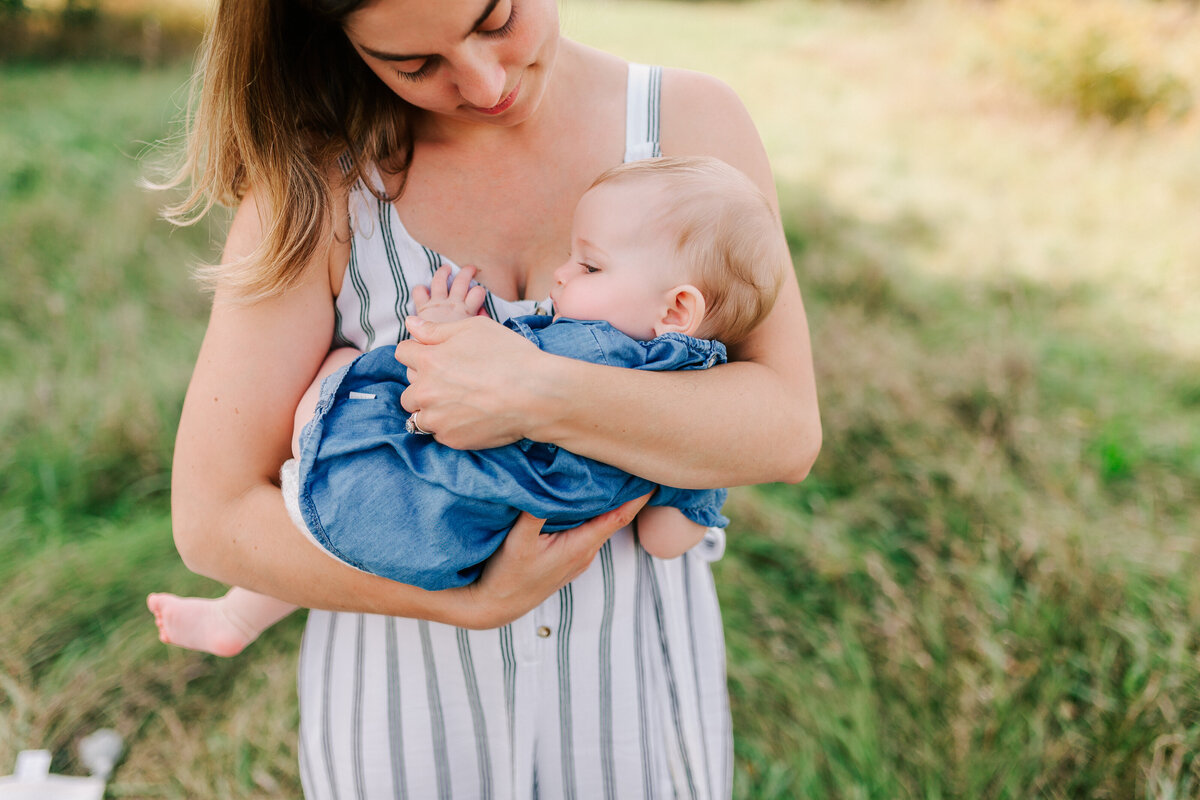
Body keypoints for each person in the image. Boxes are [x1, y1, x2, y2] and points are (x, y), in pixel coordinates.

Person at [162, 0, 821, 795]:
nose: (483, 81)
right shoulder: (320, 181)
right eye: (414, 64)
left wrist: (537, 389)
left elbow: (786, 431)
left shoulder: (687, 123)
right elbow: (214, 519)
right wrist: (467, 604)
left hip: (633, 710)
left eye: (496, 16)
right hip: (406, 720)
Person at [149, 156, 785, 656]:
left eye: (588, 265)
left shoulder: (572, 343)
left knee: (343, 383)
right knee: (352, 515)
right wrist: (687, 490)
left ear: (676, 308)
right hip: (471, 540)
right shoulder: (696, 406)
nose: (562, 276)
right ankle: (236, 613)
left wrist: (443, 319)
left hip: (415, 492)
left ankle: (237, 612)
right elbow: (668, 541)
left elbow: (460, 368)